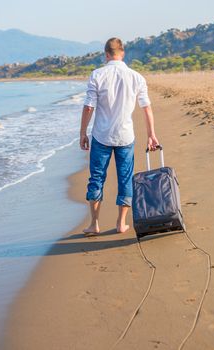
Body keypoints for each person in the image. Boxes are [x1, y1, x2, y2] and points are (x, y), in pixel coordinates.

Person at [80, 37, 159, 234]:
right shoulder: (136, 77)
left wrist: (83, 133)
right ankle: (120, 223)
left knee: (96, 179)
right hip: (125, 137)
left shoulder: (97, 75)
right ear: (122, 53)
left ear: (106, 54)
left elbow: (89, 107)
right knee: (125, 179)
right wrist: (151, 135)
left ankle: (94, 224)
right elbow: (146, 108)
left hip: (101, 136)